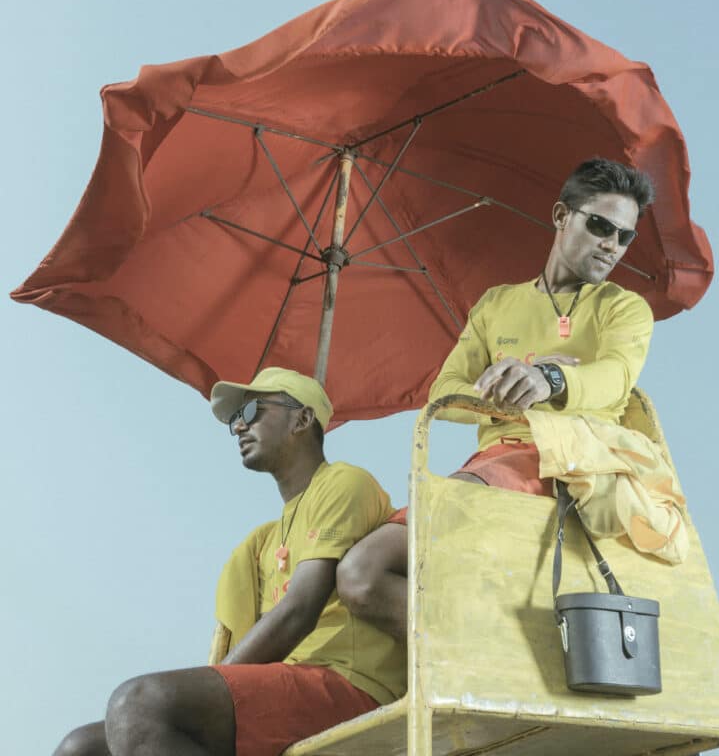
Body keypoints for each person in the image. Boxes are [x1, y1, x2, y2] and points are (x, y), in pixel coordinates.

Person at [336, 157, 656, 641]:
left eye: (624, 236)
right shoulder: (496, 304)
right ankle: (472, 651)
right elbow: (443, 394)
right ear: (561, 216)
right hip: (492, 464)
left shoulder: (625, 309)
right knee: (356, 572)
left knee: (364, 572)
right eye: (599, 225)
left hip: (570, 466)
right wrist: (500, 397)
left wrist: (550, 379)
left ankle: (474, 656)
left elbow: (616, 376)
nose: (612, 245)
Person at [53, 367, 406, 756]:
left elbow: (299, 612)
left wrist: (215, 681)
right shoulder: (264, 540)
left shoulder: (343, 483)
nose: (239, 426)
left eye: (253, 410)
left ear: (303, 419)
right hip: (288, 685)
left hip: (349, 683)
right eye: (235, 419)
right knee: (79, 748)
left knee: (139, 704)